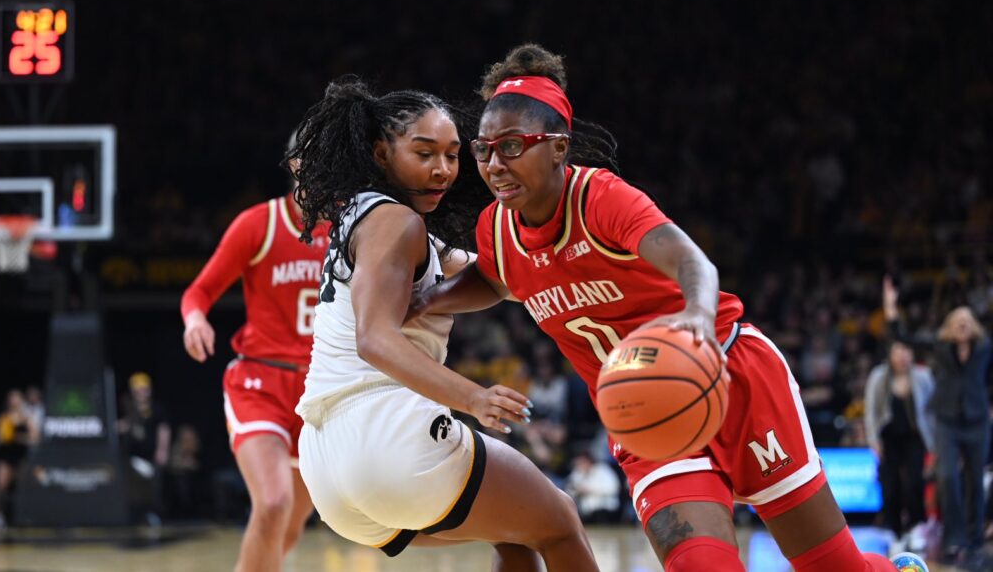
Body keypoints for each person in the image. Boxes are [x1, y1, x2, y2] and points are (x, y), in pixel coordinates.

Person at [414, 44, 925, 572]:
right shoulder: (496, 230)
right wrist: (425, 302)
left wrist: (697, 322)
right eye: (484, 149)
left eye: (514, 146)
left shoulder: (600, 199)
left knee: (833, 567)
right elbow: (497, 280)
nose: (495, 164)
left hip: (732, 375)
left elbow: (693, 264)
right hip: (643, 414)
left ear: (560, 147)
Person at [286, 78, 598, 571]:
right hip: (386, 434)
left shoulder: (367, 218)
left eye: (453, 156)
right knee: (559, 520)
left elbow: (500, 277)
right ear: (381, 153)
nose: (442, 170)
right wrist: (472, 398)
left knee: (517, 536)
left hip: (326, 464)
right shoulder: (396, 223)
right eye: (424, 153)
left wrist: (580, 260)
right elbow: (375, 340)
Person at [181, 150, 329, 572]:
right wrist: (194, 321)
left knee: (290, 528)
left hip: (319, 392)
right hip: (261, 382)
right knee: (273, 501)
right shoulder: (259, 224)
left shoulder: (349, 230)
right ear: (297, 164)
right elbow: (199, 292)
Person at [883, 276, 991, 566]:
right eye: (958, 320)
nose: (963, 323)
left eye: (967, 319)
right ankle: (954, 539)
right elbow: (904, 338)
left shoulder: (985, 348)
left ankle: (974, 541)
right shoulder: (940, 348)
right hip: (947, 422)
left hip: (978, 422)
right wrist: (891, 309)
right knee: (947, 477)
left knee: (975, 481)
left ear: (974, 326)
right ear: (950, 327)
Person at [864, 339, 934, 546]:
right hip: (888, 438)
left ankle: (916, 527)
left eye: (907, 350)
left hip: (915, 437)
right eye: (898, 351)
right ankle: (894, 531)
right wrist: (873, 441)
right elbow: (871, 411)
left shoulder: (923, 377)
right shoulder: (879, 376)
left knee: (914, 482)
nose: (903, 355)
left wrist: (933, 443)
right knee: (890, 485)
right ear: (890, 354)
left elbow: (932, 411)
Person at [118, 371, 171, 523]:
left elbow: (164, 429)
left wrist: (162, 450)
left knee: (154, 486)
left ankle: (154, 514)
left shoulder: (156, 408)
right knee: (132, 487)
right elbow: (123, 425)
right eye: (138, 389)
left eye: (144, 389)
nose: (141, 392)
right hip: (132, 456)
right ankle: (133, 515)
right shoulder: (127, 406)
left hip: (151, 456)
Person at [0, 388, 38, 528]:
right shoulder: (4, 417)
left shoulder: (27, 417)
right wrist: (2, 437)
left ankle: (24, 515)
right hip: (6, 456)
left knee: (23, 487)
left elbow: (35, 438)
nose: (14, 401)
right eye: (12, 398)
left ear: (21, 400)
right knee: (0, 486)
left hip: (21, 457)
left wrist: (16, 437)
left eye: (16, 398)